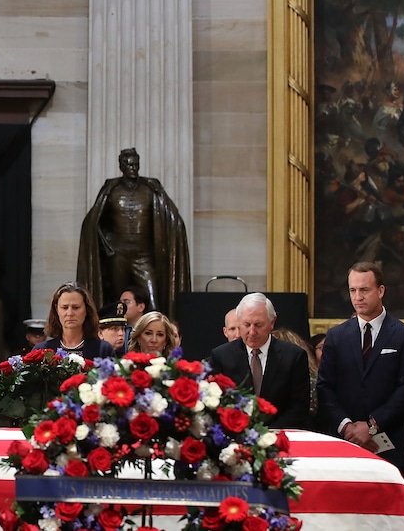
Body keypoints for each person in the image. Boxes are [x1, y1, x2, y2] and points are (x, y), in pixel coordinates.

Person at [317, 262, 404, 474]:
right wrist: (346, 426)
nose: (358, 297)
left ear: (380, 290)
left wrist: (372, 426)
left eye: (364, 290)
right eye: (353, 290)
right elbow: (325, 386)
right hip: (344, 444)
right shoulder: (337, 336)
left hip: (388, 446)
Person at [77, 148, 191, 318]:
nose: (133, 168)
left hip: (143, 256)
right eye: (129, 164)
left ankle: (156, 336)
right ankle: (116, 337)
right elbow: (93, 223)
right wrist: (107, 245)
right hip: (119, 256)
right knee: (118, 303)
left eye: (136, 164)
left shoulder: (150, 189)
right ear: (121, 166)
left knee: (153, 302)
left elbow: (172, 218)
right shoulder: (111, 190)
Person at [209, 294, 310, 429]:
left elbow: (298, 407)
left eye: (258, 325)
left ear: (272, 322)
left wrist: (267, 435)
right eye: (246, 324)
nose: (252, 332)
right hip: (235, 436)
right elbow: (215, 403)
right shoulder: (221, 356)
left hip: (280, 435)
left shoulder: (293, 357)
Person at [33, 282, 114, 360]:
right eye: (65, 307)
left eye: (76, 307)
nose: (70, 313)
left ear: (86, 309)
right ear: (57, 309)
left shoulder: (103, 350)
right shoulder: (42, 351)